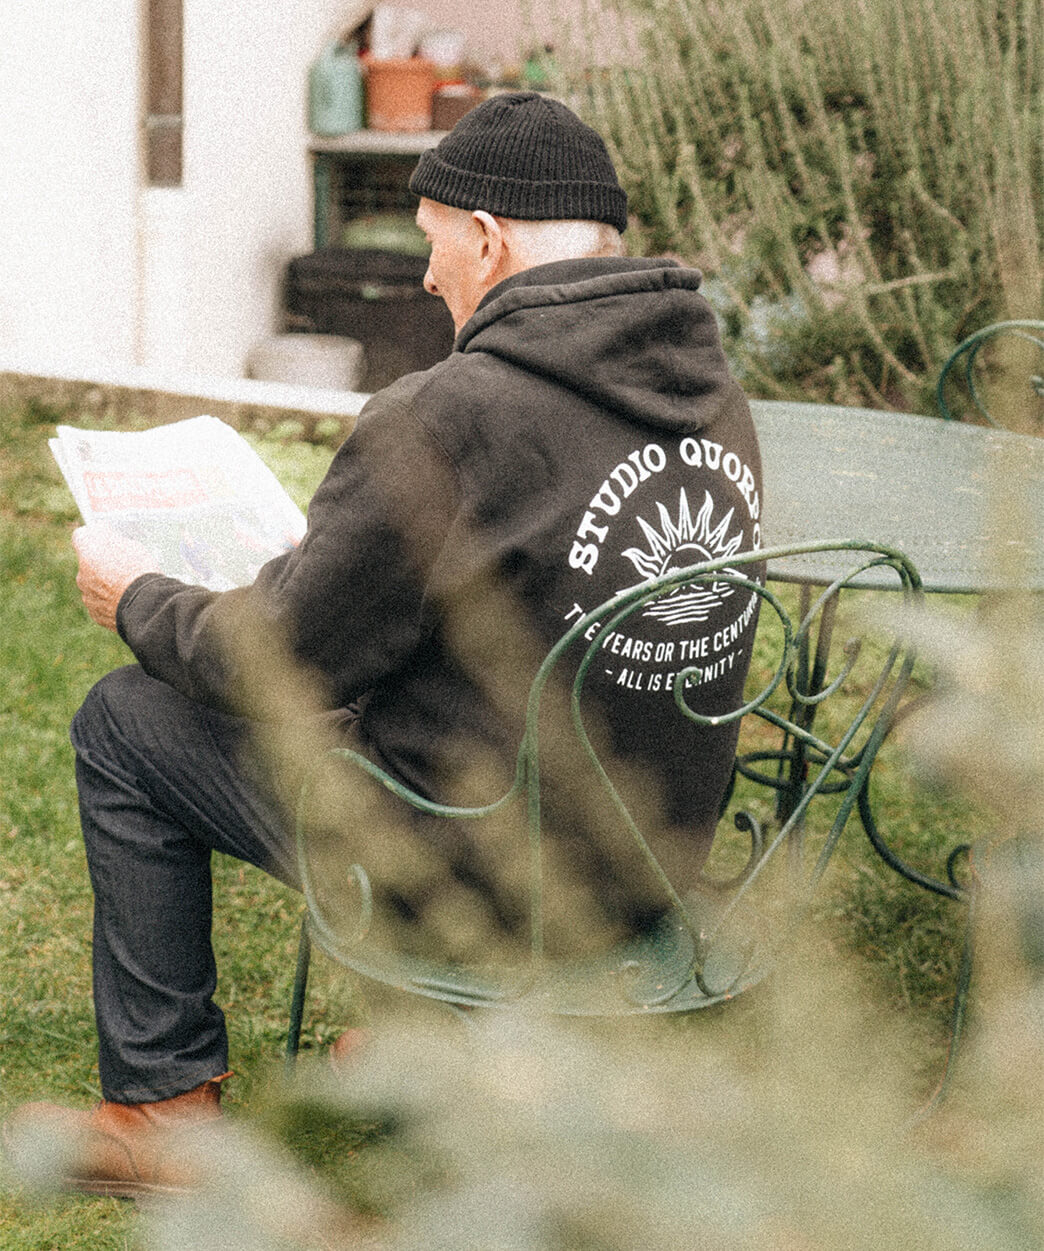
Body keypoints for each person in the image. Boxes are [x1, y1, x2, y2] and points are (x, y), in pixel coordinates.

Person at [5, 92, 763, 1196]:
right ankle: (444, 1046)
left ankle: (159, 1111)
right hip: (653, 862)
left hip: (485, 875)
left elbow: (277, 665)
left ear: (490, 238)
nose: (424, 278)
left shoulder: (453, 413)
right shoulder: (709, 397)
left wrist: (138, 596)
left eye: (432, 244)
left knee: (126, 722)